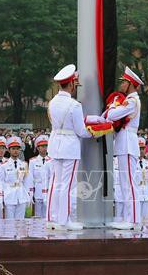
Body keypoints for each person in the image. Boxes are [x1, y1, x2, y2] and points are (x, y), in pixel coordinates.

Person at [46, 64, 92, 231]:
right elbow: (81, 131)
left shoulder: (52, 102)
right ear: (72, 84)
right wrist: (96, 132)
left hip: (55, 143)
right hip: (70, 146)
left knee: (55, 183)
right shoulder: (74, 105)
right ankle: (64, 220)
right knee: (67, 184)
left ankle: (51, 218)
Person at [103, 66, 144, 229]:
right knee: (126, 182)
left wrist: (112, 104)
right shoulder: (131, 100)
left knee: (128, 184)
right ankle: (130, 218)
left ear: (130, 84)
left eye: (124, 82)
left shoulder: (132, 101)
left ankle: (133, 220)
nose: (121, 85)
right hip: (125, 142)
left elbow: (112, 115)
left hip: (127, 143)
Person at [3, 136, 32, 219]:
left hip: (21, 196)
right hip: (9, 196)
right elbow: (2, 182)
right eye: (13, 149)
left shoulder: (24, 164)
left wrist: (28, 196)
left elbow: (26, 182)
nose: (15, 151)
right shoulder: (4, 165)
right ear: (9, 150)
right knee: (10, 223)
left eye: (17, 149)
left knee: (20, 223)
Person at [28, 135, 51, 219]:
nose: (44, 148)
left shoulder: (52, 160)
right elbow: (30, 178)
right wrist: (30, 193)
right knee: (38, 215)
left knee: (48, 215)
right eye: (42, 146)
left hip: (48, 190)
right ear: (37, 148)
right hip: (38, 190)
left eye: (46, 146)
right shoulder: (33, 161)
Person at [136, 137, 148, 221]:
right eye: (139, 148)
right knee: (137, 218)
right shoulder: (131, 163)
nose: (141, 150)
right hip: (136, 193)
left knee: (146, 219)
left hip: (146, 193)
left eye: (143, 148)